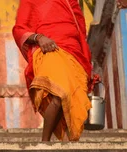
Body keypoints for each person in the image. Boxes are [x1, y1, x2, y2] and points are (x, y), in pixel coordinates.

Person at [13, 0, 96, 142]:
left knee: (71, 103)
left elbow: (81, 34)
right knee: (59, 93)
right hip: (49, 49)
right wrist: (39, 38)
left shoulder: (71, 2)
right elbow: (19, 29)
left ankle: (67, 146)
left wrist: (88, 66)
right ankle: (44, 142)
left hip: (74, 55)